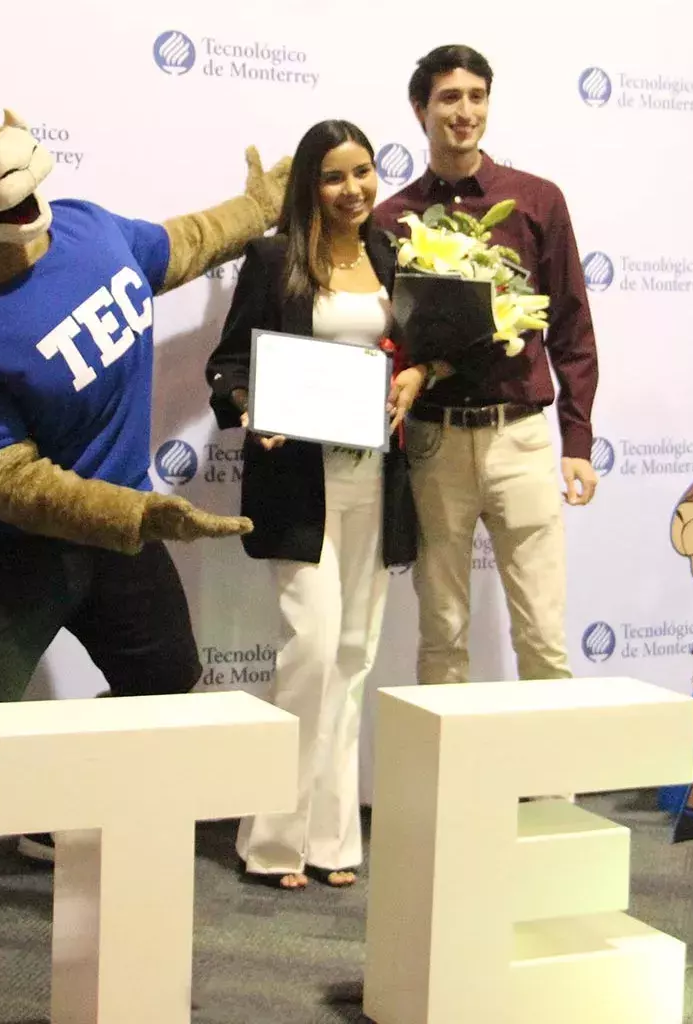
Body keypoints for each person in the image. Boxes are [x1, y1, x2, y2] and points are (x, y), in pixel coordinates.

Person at [206, 120, 430, 889]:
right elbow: (230, 362)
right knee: (309, 649)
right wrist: (252, 410)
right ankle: (270, 841)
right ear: (309, 184)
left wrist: (416, 377)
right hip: (299, 483)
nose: (354, 189)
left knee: (353, 656)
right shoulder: (273, 259)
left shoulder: (391, 257)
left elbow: (413, 351)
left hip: (377, 478)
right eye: (335, 176)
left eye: (363, 172)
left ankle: (333, 841)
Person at [372, 44, 601, 686]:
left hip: (522, 437)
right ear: (420, 110)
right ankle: (451, 788)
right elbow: (392, 338)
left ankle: (545, 786)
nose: (464, 112)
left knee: (543, 638)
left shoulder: (535, 201)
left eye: (476, 97)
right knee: (440, 635)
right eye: (448, 98)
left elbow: (572, 323)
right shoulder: (393, 219)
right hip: (435, 441)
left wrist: (577, 440)